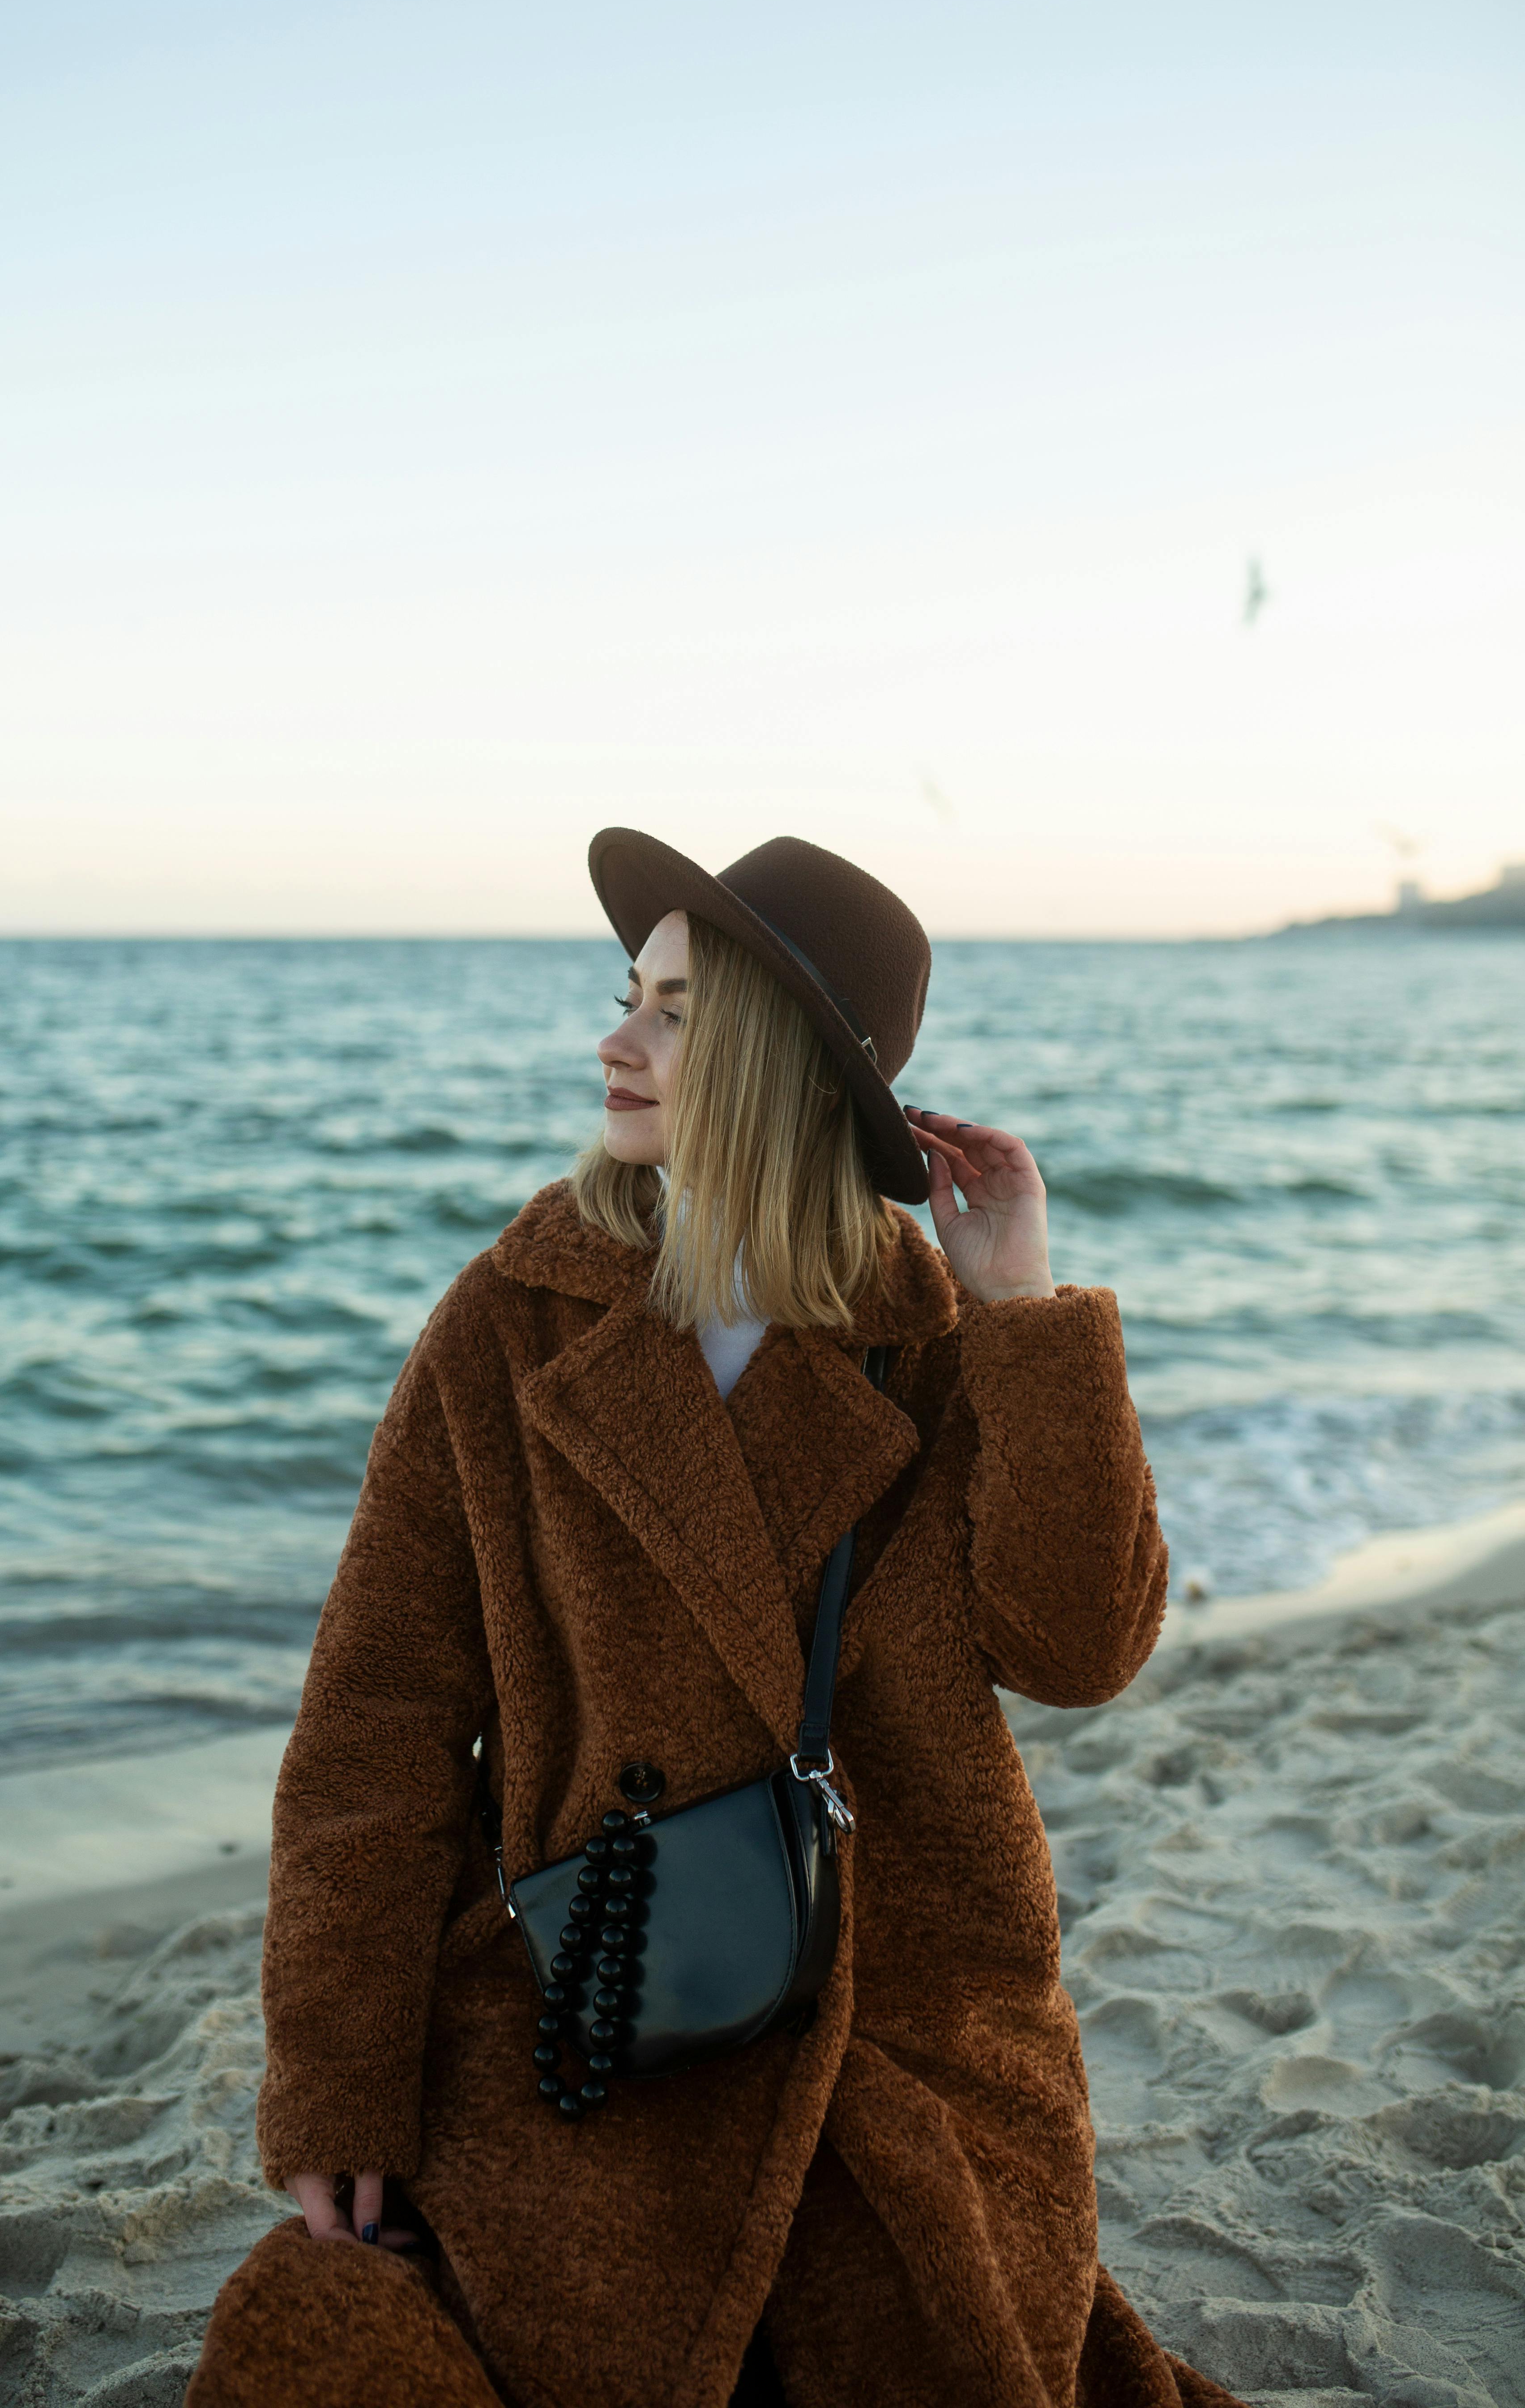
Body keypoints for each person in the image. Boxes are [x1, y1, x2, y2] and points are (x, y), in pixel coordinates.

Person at [187, 831, 1241, 2408]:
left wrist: (1026, 1317)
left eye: (672, 1010)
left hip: (900, 2020)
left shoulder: (945, 1339)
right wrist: (335, 2091)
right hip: (585, 2006)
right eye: (630, 997)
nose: (614, 1041)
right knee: (331, 2343)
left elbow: (1080, 1653)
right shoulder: (511, 1324)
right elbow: (376, 1728)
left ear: (782, 1059)